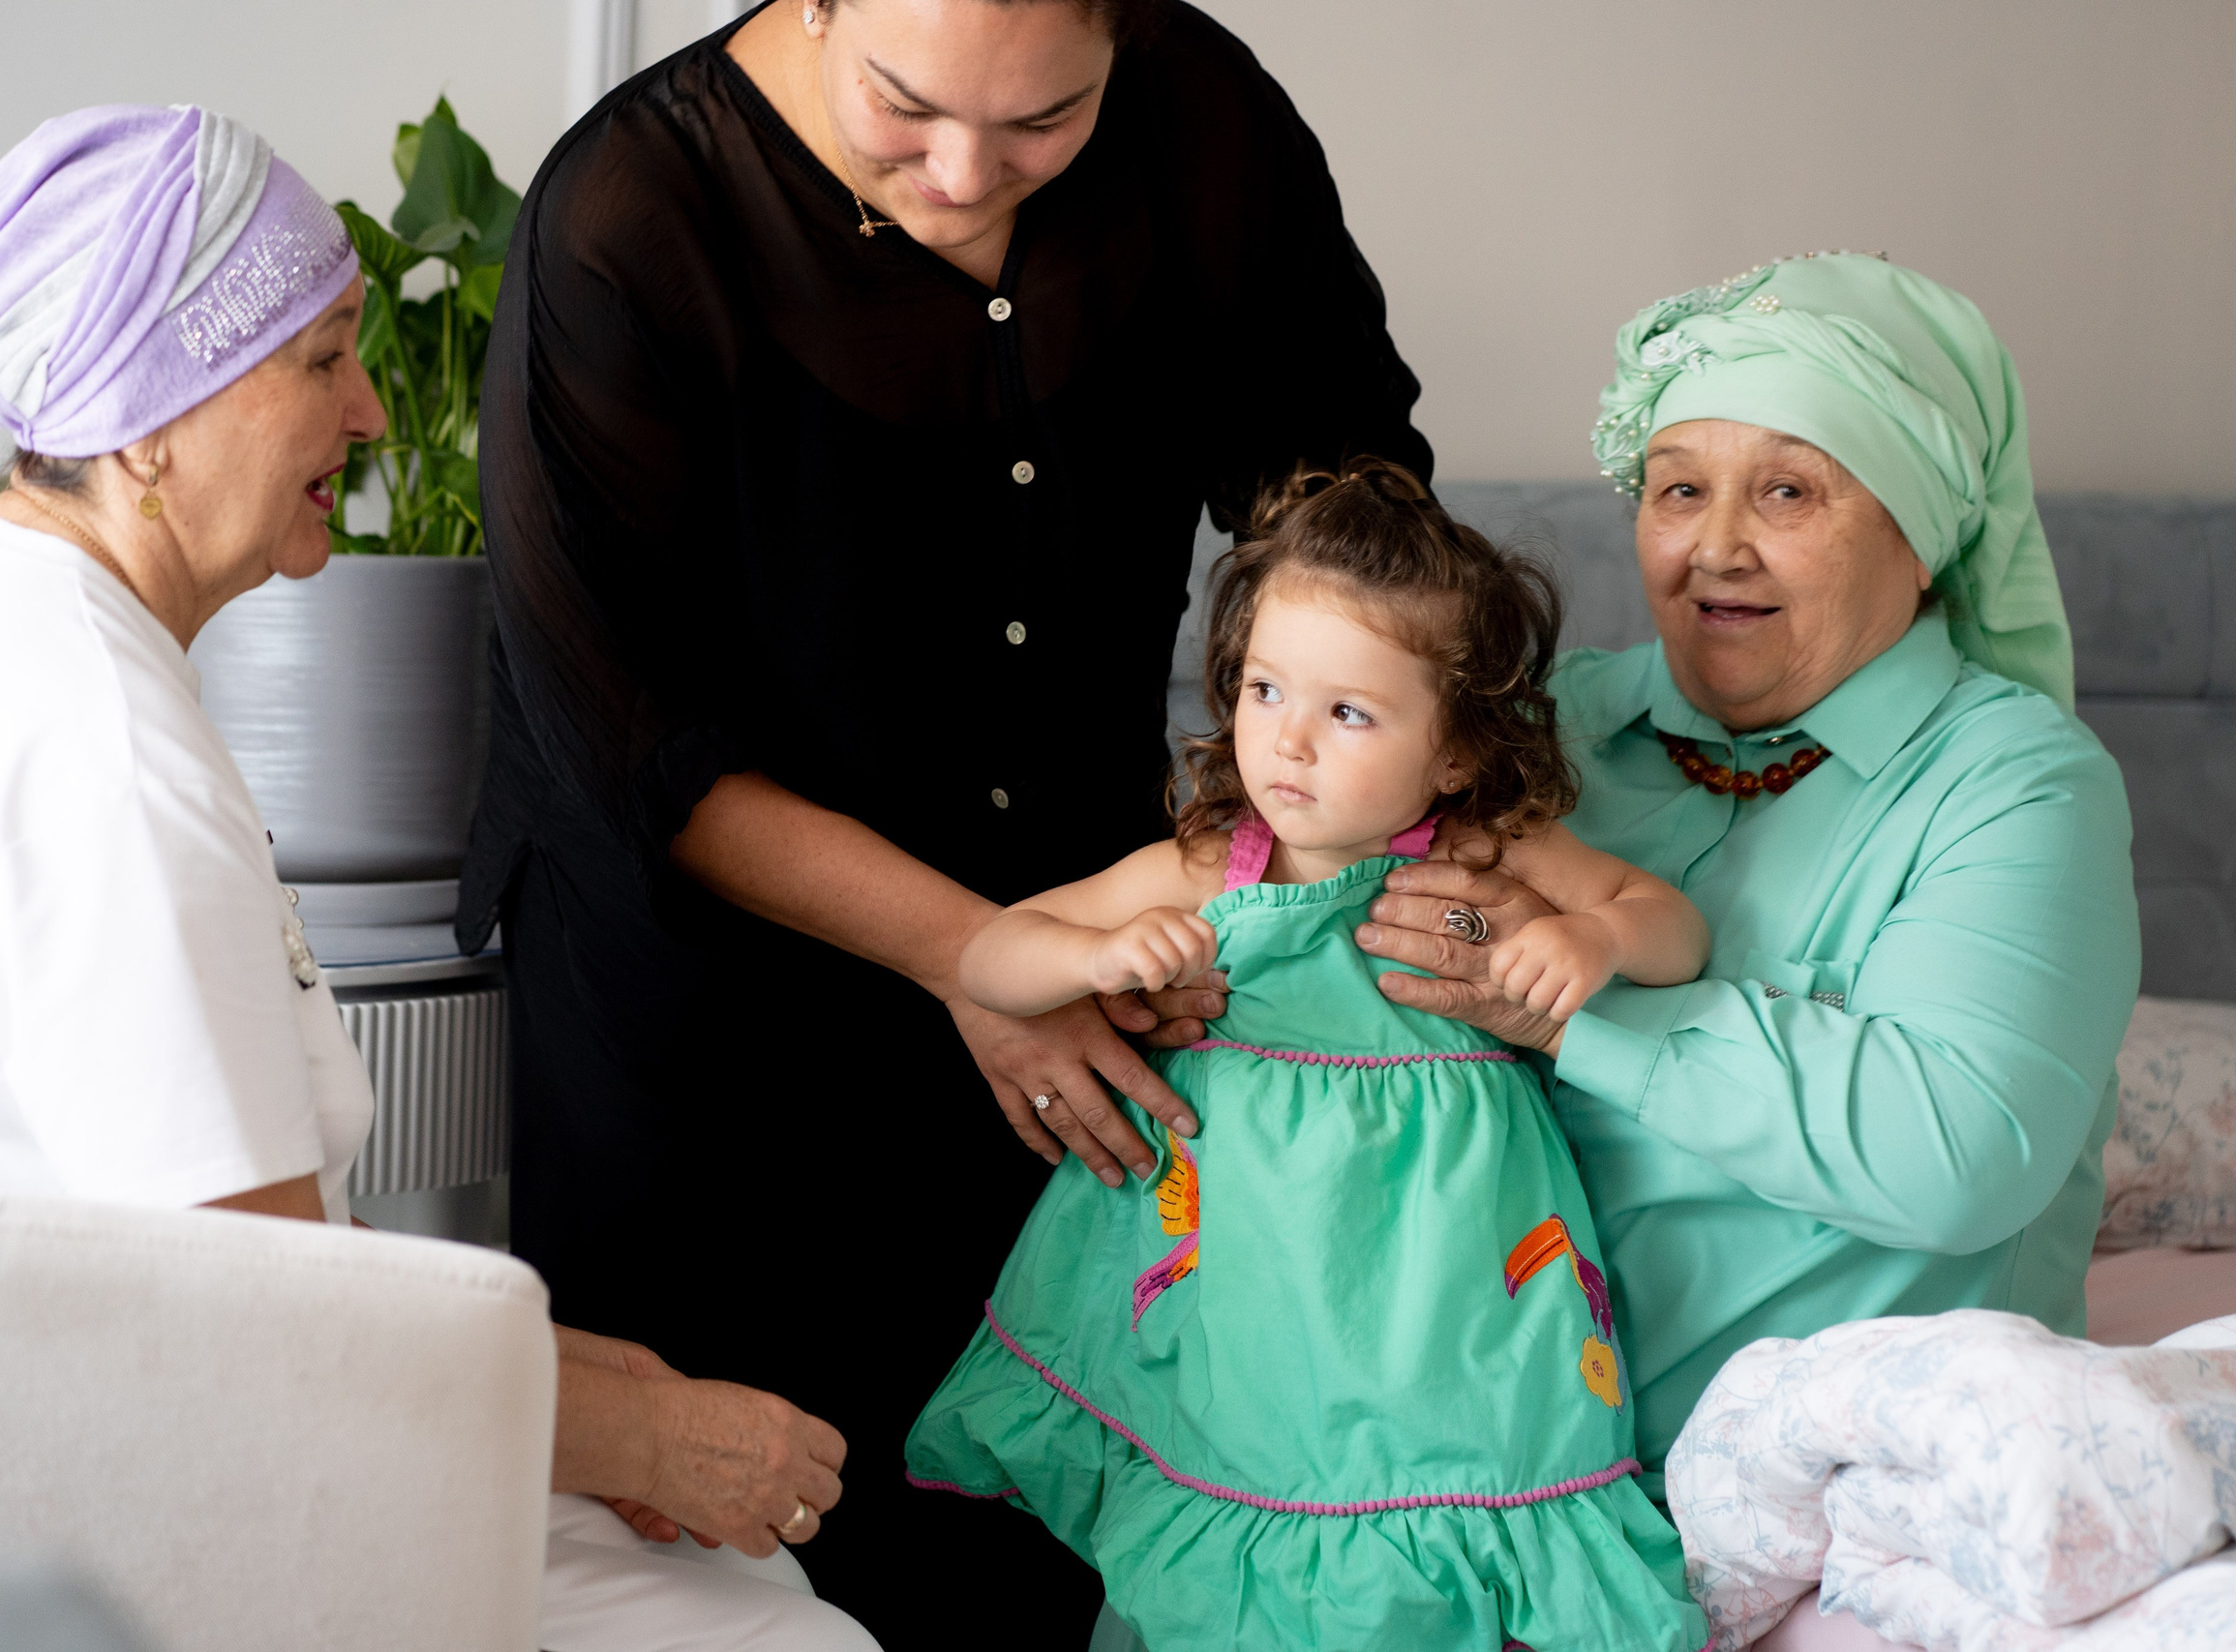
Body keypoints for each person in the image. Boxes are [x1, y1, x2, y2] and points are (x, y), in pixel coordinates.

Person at [0, 105, 871, 1652]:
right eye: (319, 357)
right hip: (88, 1515)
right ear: (151, 417)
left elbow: (243, 1264)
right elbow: (258, 1332)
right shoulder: (91, 753)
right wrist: (642, 1441)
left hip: (85, 1439)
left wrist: (611, 1385)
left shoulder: (16, 638)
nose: (367, 414)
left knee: (742, 1581)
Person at [466, 0, 1430, 1633]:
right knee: (739, 1566)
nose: (970, 176)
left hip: (1083, 974)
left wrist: (1270, 851)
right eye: (902, 106)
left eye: (1049, 123)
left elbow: (1347, 513)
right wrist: (980, 955)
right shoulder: (629, 217)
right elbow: (629, 749)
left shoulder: (1203, 120)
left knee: (1035, 1547)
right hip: (715, 1035)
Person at [1343, 253, 2140, 1504]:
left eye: (1787, 491)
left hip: (1827, 1495)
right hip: (1450, 1456)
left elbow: (1957, 1148)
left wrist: (1561, 1001)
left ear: (1920, 534)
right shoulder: (1525, 734)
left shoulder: (2019, 782)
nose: (1717, 548)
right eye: (1677, 489)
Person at [902, 461, 1711, 1651]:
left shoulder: (1485, 853)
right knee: (1236, 1503)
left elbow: (1675, 929)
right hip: (1247, 1277)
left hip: (1442, 1277)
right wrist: (1099, 954)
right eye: (1266, 689)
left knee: (1441, 1502)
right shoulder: (1204, 864)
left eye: (1347, 713)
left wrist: (1590, 934)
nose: (1286, 741)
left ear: (1450, 752)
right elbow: (993, 957)